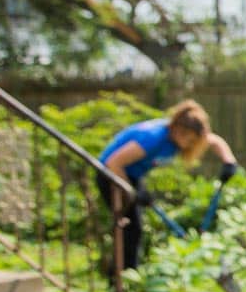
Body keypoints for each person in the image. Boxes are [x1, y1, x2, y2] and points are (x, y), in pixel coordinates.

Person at [97, 100, 237, 274]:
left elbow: (214, 141)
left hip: (130, 176)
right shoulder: (153, 138)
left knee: (133, 228)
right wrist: (134, 192)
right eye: (189, 139)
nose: (190, 144)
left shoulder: (177, 138)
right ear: (179, 130)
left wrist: (229, 162)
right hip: (111, 175)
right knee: (131, 229)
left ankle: (125, 276)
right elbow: (113, 162)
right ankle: (121, 279)